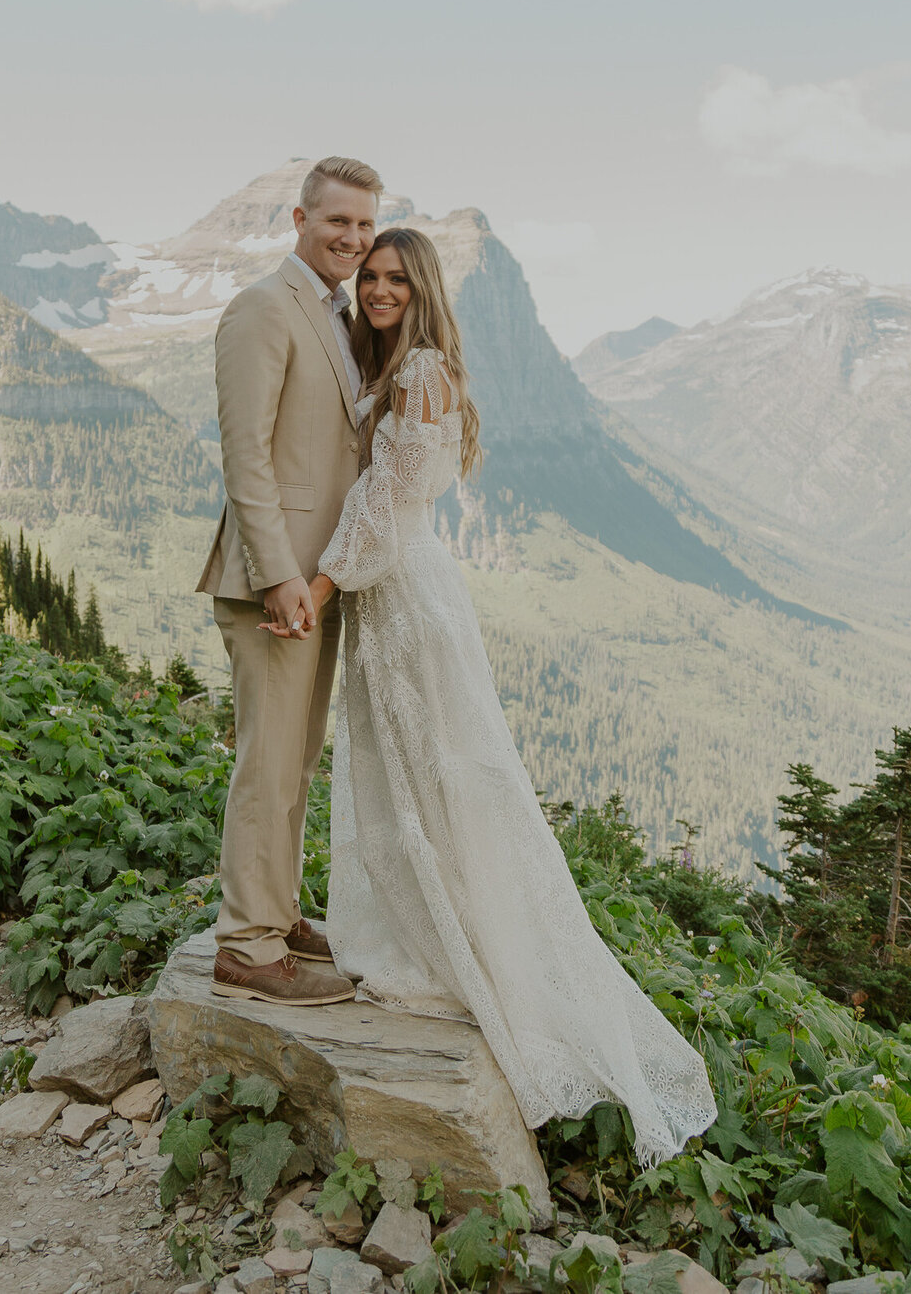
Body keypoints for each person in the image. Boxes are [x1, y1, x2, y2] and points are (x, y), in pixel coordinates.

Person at [273, 225, 717, 1165]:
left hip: (405, 598)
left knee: (440, 771)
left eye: (397, 277)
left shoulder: (424, 371)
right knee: (401, 773)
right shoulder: (395, 364)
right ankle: (422, 926)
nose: (380, 289)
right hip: (391, 597)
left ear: (423, 287)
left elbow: (383, 503)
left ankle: (469, 947)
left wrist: (313, 590)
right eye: (372, 277)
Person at [196, 155, 383, 1006]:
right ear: (300, 219)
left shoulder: (337, 316)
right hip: (273, 586)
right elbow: (248, 459)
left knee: (295, 760)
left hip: (320, 579)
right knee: (267, 763)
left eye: (365, 225)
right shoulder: (263, 308)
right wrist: (278, 577)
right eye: (338, 221)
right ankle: (246, 944)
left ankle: (276, 915)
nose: (353, 238)